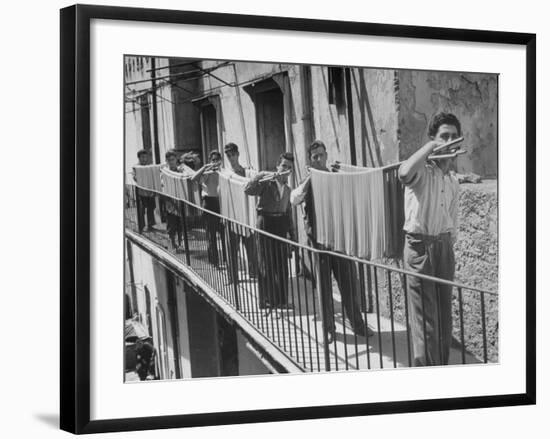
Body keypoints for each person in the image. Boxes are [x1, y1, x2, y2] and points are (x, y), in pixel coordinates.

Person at [290, 140, 371, 343]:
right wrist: (311, 178)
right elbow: (294, 199)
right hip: (318, 243)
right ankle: (328, 329)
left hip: (339, 242)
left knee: (349, 284)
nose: (319, 159)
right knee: (324, 288)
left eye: (321, 155)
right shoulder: (307, 180)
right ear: (310, 159)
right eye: (314, 156)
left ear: (326, 155)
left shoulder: (336, 176)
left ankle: (358, 325)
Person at [397, 112, 461, 367]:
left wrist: (447, 247)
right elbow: (403, 173)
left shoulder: (453, 181)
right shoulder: (422, 172)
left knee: (444, 320)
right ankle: (427, 379)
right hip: (419, 247)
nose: (450, 140)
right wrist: (431, 148)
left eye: (454, 137)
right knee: (426, 324)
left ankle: (441, 371)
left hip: (444, 248)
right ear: (433, 140)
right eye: (444, 136)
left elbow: (452, 221)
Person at [244, 152, 296, 313]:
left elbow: (288, 212)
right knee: (266, 263)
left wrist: (292, 234)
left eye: (289, 167)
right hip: (265, 222)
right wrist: (262, 174)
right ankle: (265, 300)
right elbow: (248, 189)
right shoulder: (267, 183)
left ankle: (281, 300)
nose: (285, 170)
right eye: (283, 166)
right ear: (277, 166)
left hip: (280, 224)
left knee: (281, 264)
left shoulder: (288, 189)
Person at [223, 142, 258, 281]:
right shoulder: (226, 174)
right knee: (232, 249)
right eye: (228, 155)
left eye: (233, 155)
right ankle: (233, 277)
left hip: (246, 215)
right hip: (232, 216)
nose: (231, 158)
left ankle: (254, 273)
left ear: (238, 154)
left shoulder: (247, 173)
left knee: (250, 246)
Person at [191, 150, 224, 266]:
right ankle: (214, 262)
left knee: (224, 234)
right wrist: (205, 168)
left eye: (217, 160)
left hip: (220, 203)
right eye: (213, 160)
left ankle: (225, 260)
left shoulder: (223, 172)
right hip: (209, 203)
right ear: (210, 161)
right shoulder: (207, 173)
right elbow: (194, 179)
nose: (215, 162)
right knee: (211, 235)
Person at [163, 149, 184, 252]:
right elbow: (162, 184)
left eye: (173, 159)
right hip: (169, 202)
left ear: (176, 159)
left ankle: (180, 244)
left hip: (180, 201)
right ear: (167, 161)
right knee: (172, 225)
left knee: (180, 224)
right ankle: (173, 244)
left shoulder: (181, 171)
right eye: (169, 160)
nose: (171, 162)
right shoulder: (165, 172)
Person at [133, 149, 156, 232]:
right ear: (139, 158)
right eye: (142, 157)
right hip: (141, 191)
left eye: (146, 157)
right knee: (142, 209)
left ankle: (150, 225)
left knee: (151, 207)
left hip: (150, 191)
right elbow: (134, 177)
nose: (144, 159)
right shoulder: (136, 167)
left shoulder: (149, 166)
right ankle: (141, 226)